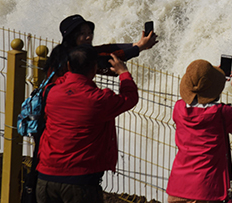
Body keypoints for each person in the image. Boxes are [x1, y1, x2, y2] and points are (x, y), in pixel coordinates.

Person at [36, 44, 139, 203]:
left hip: (45, 176)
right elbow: (130, 98)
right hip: (80, 181)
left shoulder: (50, 91)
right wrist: (123, 73)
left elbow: (63, 80)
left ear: (69, 66)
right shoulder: (99, 100)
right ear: (94, 68)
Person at [166, 59, 232, 203]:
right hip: (206, 191)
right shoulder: (220, 114)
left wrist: (212, 74)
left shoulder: (179, 108)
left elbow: (196, 96)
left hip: (178, 188)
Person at [44, 14, 158, 78]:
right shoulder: (73, 57)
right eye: (82, 34)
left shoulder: (64, 51)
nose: (88, 37)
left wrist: (137, 44)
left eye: (89, 33)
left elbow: (106, 49)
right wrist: (139, 48)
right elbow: (106, 60)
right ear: (71, 37)